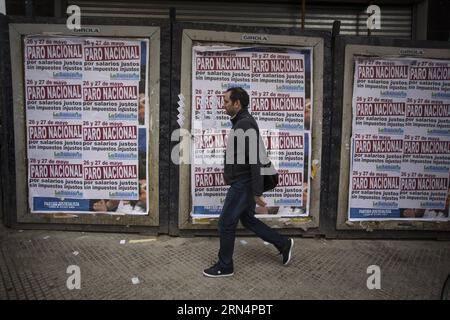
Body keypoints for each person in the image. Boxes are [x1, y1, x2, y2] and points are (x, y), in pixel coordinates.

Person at [203, 87, 294, 278]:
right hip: (243, 180)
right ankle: (283, 243)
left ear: (237, 103)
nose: (224, 105)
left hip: (243, 183)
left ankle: (225, 265)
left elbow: (255, 159)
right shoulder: (241, 123)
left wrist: (257, 191)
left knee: (226, 223)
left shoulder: (244, 124)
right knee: (248, 220)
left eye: (227, 101)